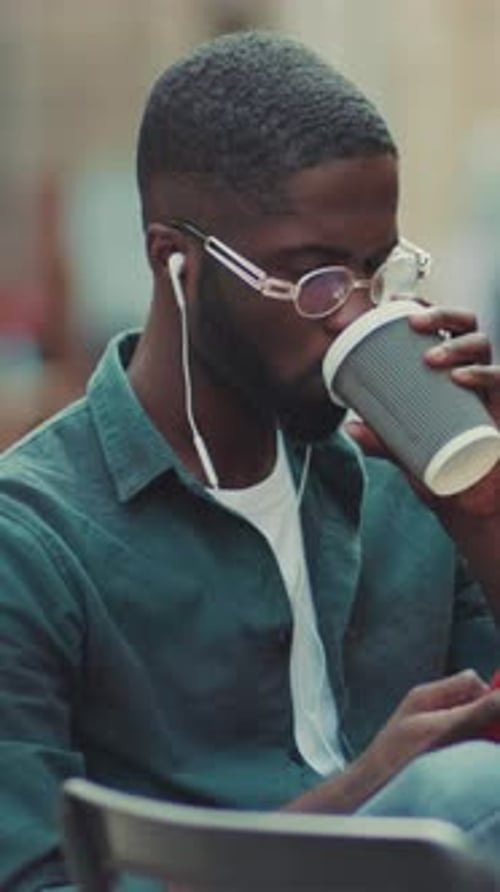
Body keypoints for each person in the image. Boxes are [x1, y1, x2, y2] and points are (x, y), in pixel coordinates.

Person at [2, 30, 500, 891]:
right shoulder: (32, 542)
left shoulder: (397, 481)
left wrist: (483, 516)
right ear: (176, 261)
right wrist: (360, 794)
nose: (353, 317)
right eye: (315, 280)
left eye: (375, 271)